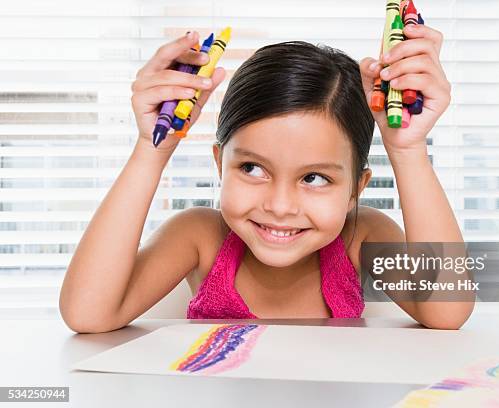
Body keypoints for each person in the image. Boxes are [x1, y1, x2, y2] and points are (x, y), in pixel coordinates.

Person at [60, 27, 473, 333]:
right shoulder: (199, 236)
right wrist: (151, 152)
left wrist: (407, 150)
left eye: (314, 177)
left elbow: (447, 311)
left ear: (355, 190)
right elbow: (89, 315)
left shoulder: (359, 234)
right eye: (252, 169)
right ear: (221, 165)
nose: (279, 206)